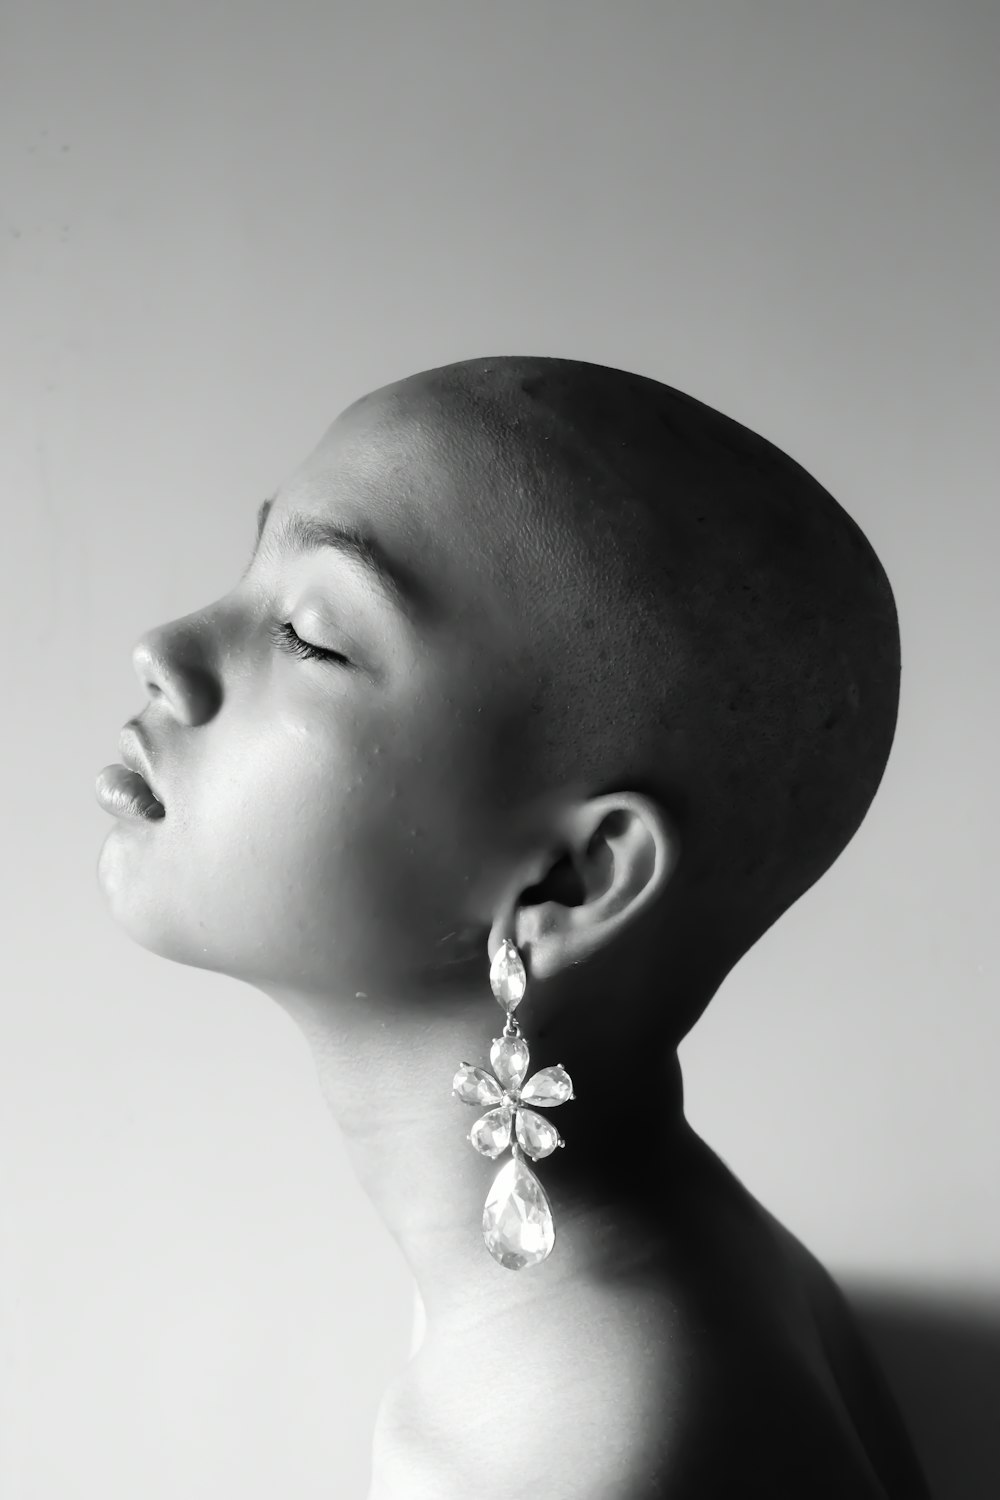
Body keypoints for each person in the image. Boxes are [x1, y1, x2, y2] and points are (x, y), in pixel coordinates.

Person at [95, 356, 934, 1499]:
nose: (168, 649)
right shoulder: (678, 1274)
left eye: (308, 633)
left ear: (568, 880)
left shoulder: (568, 1451)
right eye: (251, 570)